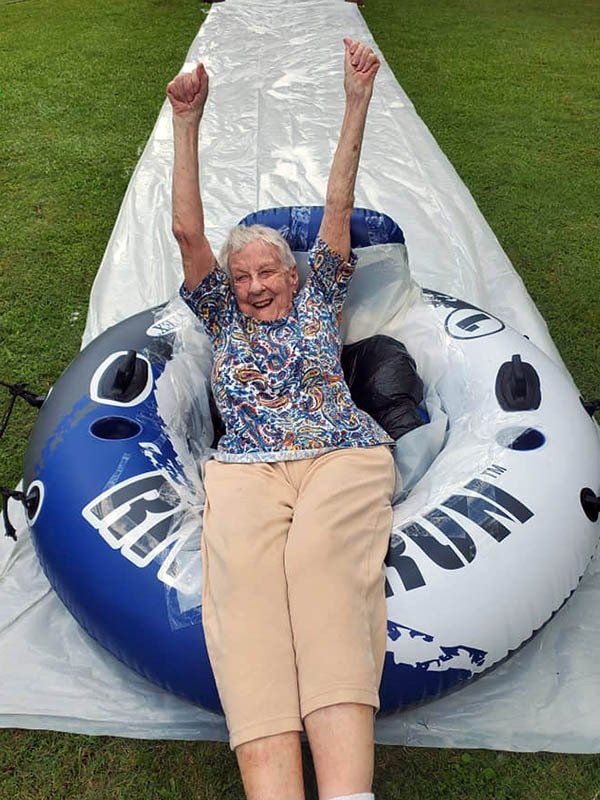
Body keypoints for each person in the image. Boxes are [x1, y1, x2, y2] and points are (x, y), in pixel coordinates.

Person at [167, 38, 395, 800]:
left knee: (321, 562)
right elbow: (188, 235)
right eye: (243, 276)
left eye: (268, 271)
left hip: (339, 452)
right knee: (245, 593)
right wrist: (186, 122)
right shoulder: (222, 315)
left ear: (294, 276)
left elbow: (338, 205)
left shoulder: (321, 296)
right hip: (245, 468)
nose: (256, 285)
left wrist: (356, 99)